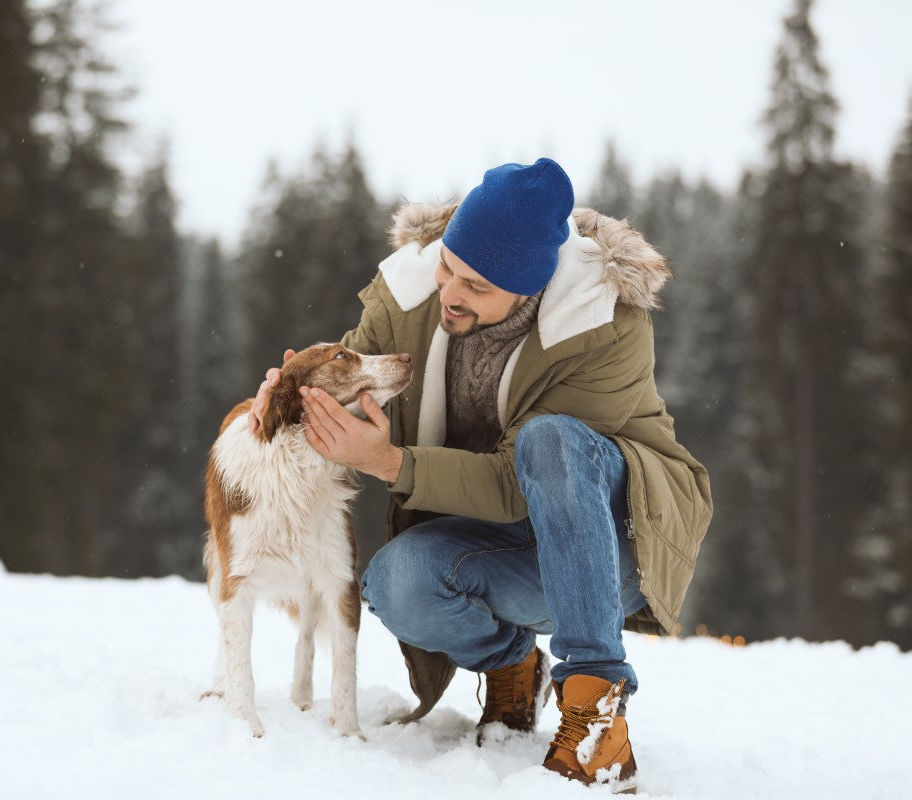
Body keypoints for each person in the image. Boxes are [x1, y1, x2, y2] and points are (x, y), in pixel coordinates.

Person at [249, 158, 711, 792]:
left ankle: (593, 714)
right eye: (448, 266)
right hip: (504, 555)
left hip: (614, 548)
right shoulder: (409, 292)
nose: (451, 292)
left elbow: (517, 483)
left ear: (529, 286)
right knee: (396, 581)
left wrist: (389, 462)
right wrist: (292, 391)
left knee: (551, 442)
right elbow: (353, 368)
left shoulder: (604, 328)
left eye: (477, 285)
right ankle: (514, 666)